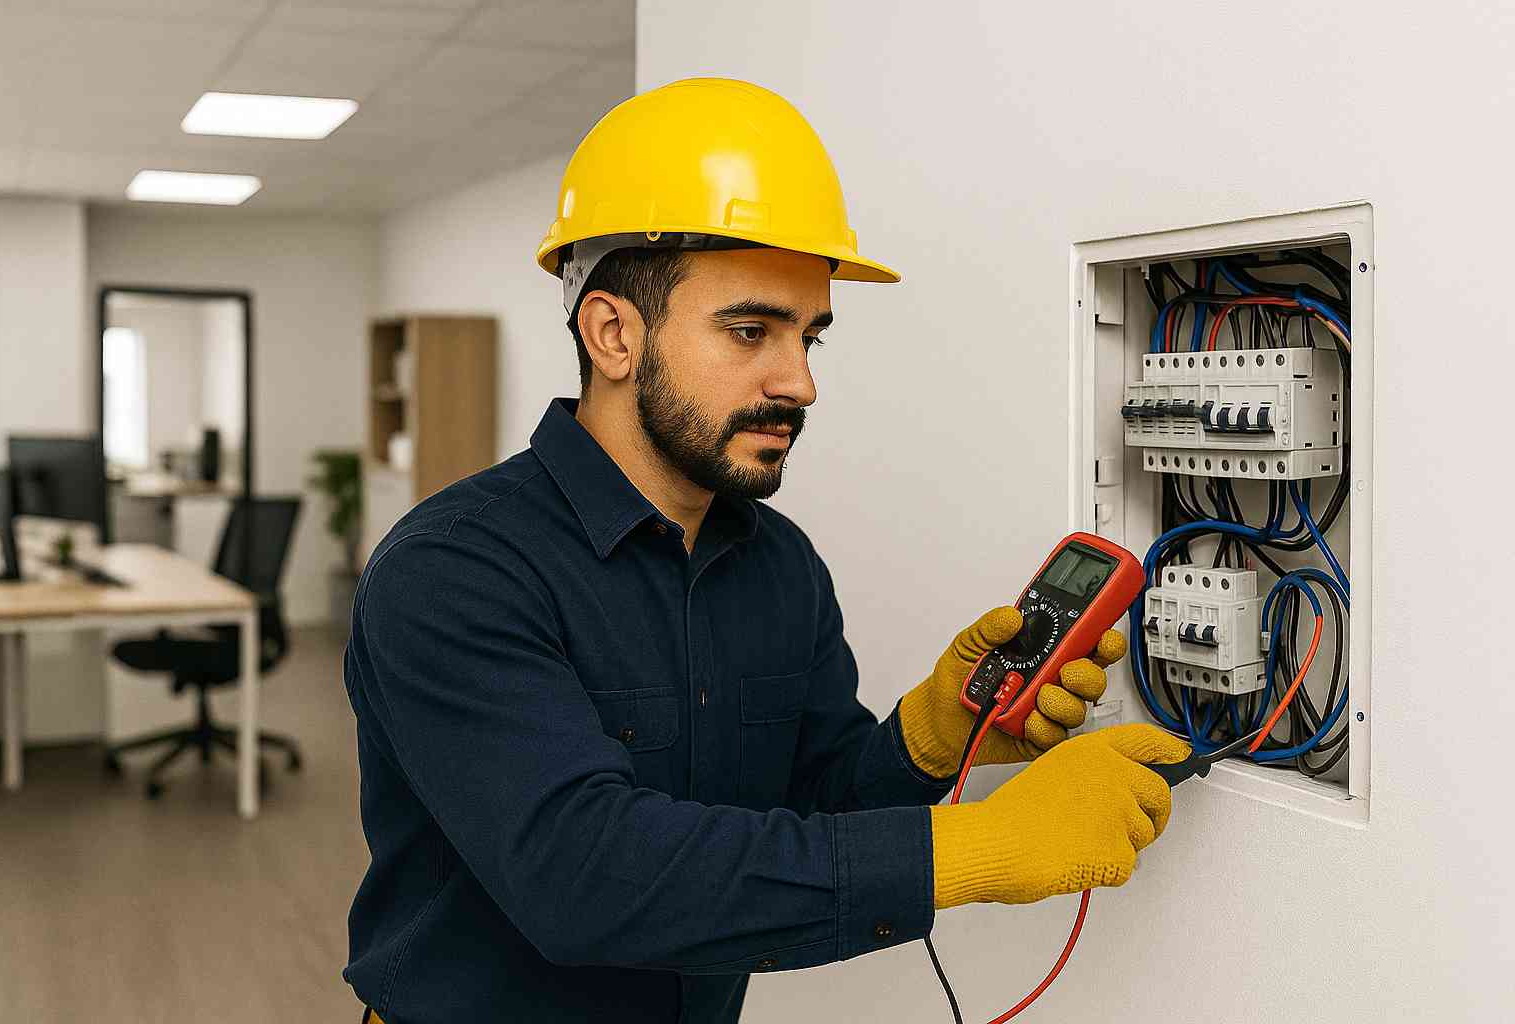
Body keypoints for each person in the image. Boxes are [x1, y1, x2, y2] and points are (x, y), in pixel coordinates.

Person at [341, 78, 1189, 1024]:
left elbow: (812, 805)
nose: (801, 383)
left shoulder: (780, 564)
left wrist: (930, 736)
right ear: (614, 332)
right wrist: (981, 849)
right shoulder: (455, 568)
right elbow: (582, 877)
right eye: (751, 331)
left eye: (810, 336)